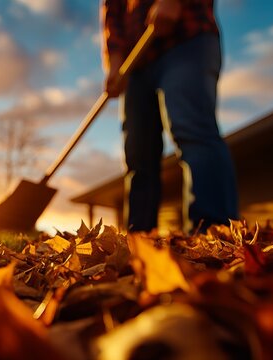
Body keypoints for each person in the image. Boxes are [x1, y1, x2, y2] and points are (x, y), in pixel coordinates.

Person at [102, 0, 238, 232]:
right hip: (135, 63)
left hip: (186, 38)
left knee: (192, 132)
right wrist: (114, 63)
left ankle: (214, 236)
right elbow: (112, 10)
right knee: (138, 154)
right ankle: (139, 242)